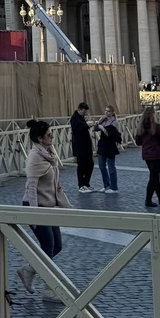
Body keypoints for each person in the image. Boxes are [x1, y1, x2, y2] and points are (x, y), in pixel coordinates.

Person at [17, 119, 71, 296]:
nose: (52, 137)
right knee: (48, 245)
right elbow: (31, 187)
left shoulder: (49, 153)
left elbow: (54, 180)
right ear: (40, 138)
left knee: (57, 246)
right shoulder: (34, 157)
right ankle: (50, 289)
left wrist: (64, 201)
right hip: (35, 205)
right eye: (49, 135)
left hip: (48, 206)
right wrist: (34, 215)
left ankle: (29, 270)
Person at [136, 105, 160, 208]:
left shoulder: (140, 128)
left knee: (155, 176)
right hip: (157, 154)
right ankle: (148, 200)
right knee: (153, 177)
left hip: (147, 154)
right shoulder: (157, 127)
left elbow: (138, 142)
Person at [93, 107, 121, 192]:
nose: (106, 112)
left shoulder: (114, 122)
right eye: (105, 110)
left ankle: (114, 187)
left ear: (112, 112)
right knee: (102, 166)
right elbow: (95, 128)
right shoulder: (104, 120)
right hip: (102, 146)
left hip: (110, 146)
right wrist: (100, 121)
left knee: (111, 167)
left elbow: (111, 135)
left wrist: (102, 128)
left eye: (108, 111)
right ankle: (106, 185)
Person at [69, 102, 94, 192]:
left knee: (90, 164)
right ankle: (81, 185)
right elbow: (76, 131)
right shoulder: (74, 118)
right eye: (84, 112)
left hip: (86, 146)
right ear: (79, 109)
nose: (85, 113)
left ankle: (86, 184)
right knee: (81, 166)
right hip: (80, 146)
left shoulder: (81, 117)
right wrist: (87, 126)